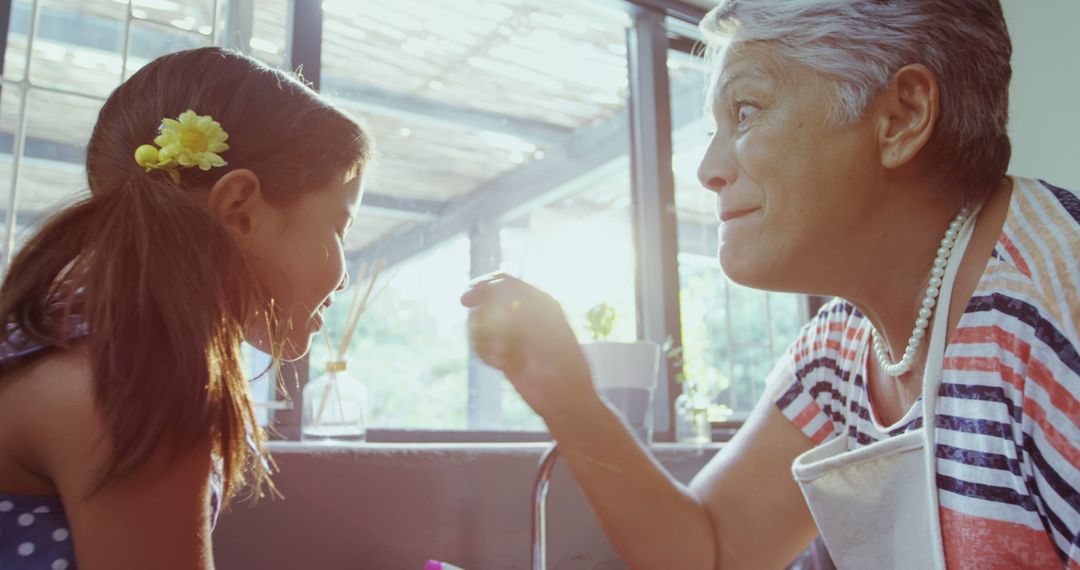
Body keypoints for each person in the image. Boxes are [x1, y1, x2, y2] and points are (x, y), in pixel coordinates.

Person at [462, 1, 1080, 568]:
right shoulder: (841, 346)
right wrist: (570, 399)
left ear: (901, 117)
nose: (708, 170)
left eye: (746, 111)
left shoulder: (1057, 307)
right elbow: (713, 551)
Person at [0, 47, 373, 568]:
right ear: (240, 210)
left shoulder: (66, 332)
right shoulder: (130, 378)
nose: (345, 274)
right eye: (339, 227)